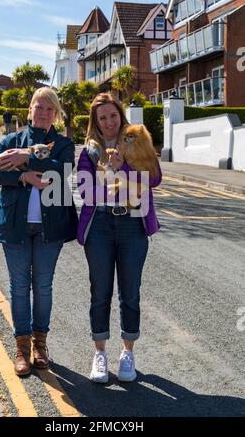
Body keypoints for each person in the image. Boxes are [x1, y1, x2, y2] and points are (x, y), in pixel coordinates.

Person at [0, 87, 78, 376]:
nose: (44, 112)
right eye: (39, 107)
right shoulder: (10, 140)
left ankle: (40, 345)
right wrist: (22, 175)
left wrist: (26, 155)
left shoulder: (63, 144)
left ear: (56, 114)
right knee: (19, 287)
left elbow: (61, 170)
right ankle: (22, 349)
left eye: (50, 109)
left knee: (44, 286)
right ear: (30, 110)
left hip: (51, 228)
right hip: (15, 227)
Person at [76, 93, 162, 383]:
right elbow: (86, 192)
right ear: (96, 122)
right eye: (103, 118)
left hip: (132, 225)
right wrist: (116, 181)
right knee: (100, 292)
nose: (109, 122)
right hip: (99, 225)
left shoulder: (136, 139)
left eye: (113, 115)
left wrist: (123, 165)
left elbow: (153, 179)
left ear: (121, 116)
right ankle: (99, 353)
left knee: (130, 293)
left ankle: (128, 354)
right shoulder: (88, 151)